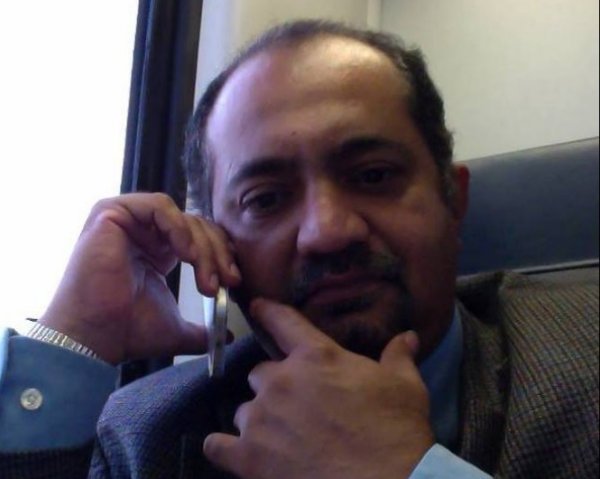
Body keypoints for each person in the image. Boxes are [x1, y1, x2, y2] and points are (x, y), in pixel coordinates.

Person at [1, 19, 597, 479]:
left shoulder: (585, 363)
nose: (328, 231)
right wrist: (74, 337)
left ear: (453, 199)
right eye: (266, 199)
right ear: (212, 243)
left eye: (373, 176)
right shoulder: (145, 433)